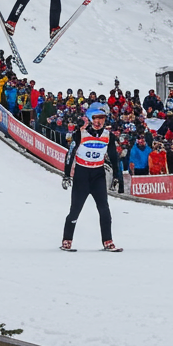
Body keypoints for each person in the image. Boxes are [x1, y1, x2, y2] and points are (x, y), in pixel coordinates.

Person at [61, 103, 122, 252]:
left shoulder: (108, 136)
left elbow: (114, 158)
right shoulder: (80, 133)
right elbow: (70, 154)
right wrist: (67, 175)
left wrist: (116, 177)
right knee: (75, 210)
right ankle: (67, 240)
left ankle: (108, 240)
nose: (98, 122)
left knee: (104, 209)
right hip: (82, 175)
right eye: (95, 118)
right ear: (90, 118)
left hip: (97, 175)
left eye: (101, 118)